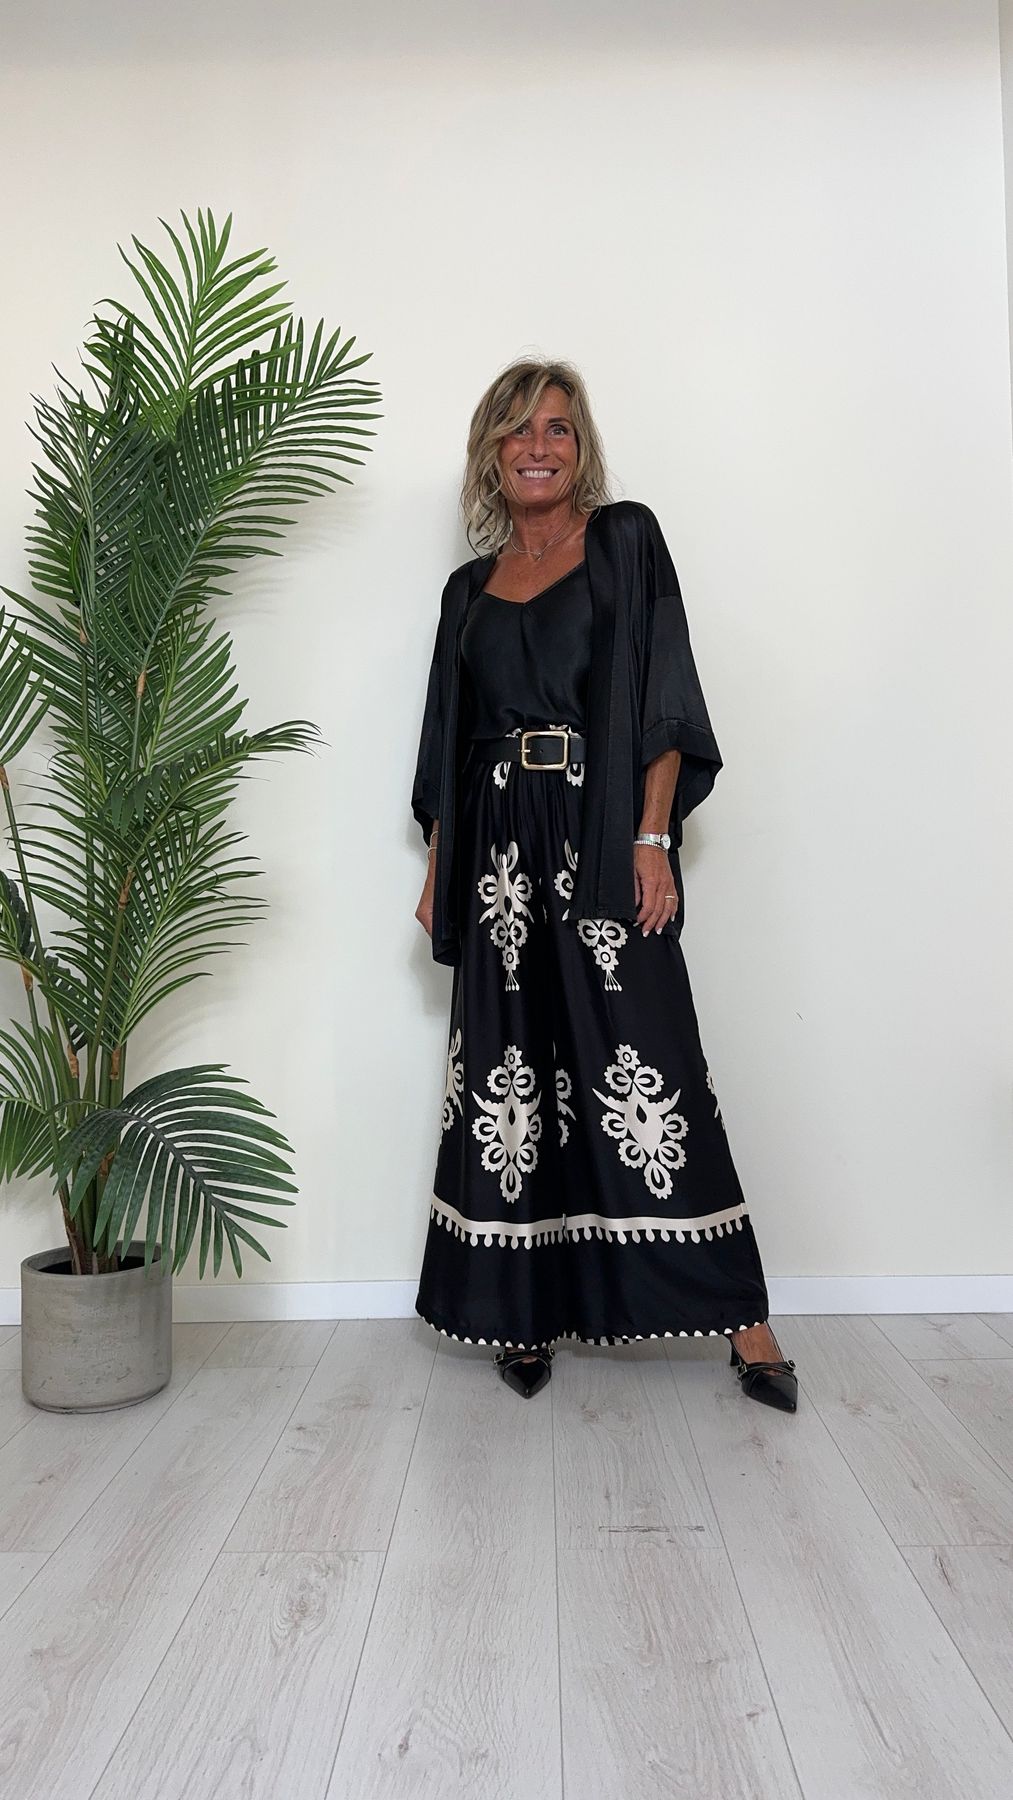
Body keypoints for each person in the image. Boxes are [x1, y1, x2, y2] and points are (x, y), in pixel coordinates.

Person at [410, 358, 797, 1412]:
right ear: (491, 451)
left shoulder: (624, 541)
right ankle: (517, 1309)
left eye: (558, 429)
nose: (537, 446)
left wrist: (649, 836)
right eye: (517, 429)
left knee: (647, 1059)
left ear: (579, 448)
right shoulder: (467, 591)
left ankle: (744, 1321)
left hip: (595, 825)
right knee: (511, 1072)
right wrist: (442, 867)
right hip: (495, 852)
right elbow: (447, 740)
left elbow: (661, 693)